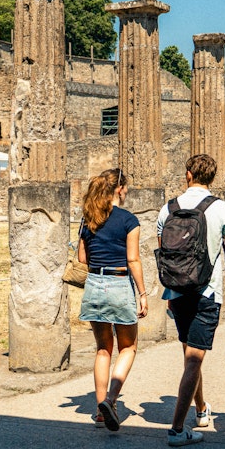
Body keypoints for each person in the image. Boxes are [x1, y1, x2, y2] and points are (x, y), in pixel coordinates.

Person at [157, 154, 225, 446]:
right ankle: (177, 429)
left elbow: (163, 251)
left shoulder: (168, 208)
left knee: (190, 355)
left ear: (187, 174)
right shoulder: (222, 209)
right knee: (194, 359)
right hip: (206, 292)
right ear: (212, 178)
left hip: (175, 291)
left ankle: (200, 410)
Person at [77, 168, 148, 431]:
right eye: (126, 189)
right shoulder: (129, 220)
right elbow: (133, 260)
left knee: (102, 349)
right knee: (128, 348)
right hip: (119, 284)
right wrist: (142, 293)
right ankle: (111, 398)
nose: (127, 193)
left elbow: (82, 259)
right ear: (119, 189)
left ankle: (99, 411)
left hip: (95, 284)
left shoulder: (88, 219)